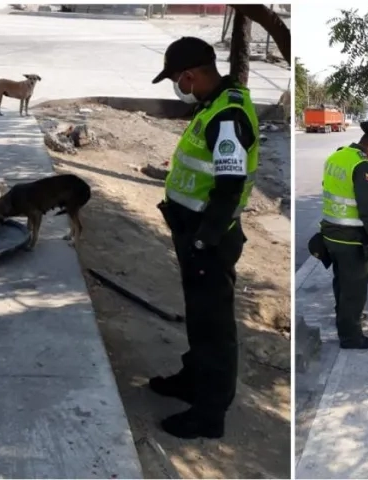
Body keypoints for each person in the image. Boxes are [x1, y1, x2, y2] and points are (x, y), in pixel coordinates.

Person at [148, 36, 259, 439]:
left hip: (207, 240)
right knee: (199, 316)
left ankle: (209, 413)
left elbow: (229, 187)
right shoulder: (216, 104)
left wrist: (203, 241)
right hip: (194, 233)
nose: (181, 87)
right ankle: (192, 379)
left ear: (191, 74)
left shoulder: (226, 116)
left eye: (180, 80)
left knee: (214, 328)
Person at [319, 122, 368, 349]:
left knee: (341, 282)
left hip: (330, 233)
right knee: (355, 289)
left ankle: (344, 318)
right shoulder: (364, 168)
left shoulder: (338, 156)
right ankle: (351, 337)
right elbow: (367, 209)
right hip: (351, 239)